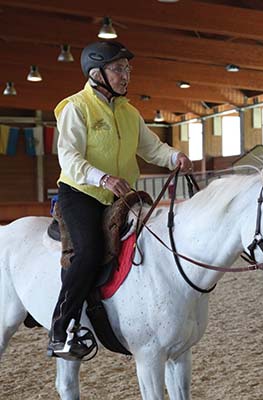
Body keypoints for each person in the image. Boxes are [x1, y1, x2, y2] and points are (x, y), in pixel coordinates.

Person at [47, 41, 193, 360]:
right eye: (118, 69)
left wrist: (174, 156)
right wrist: (102, 178)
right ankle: (61, 329)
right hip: (82, 194)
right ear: (97, 73)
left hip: (121, 196)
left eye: (127, 69)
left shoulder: (129, 112)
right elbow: (69, 156)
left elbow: (152, 149)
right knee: (88, 252)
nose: (125, 75)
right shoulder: (76, 107)